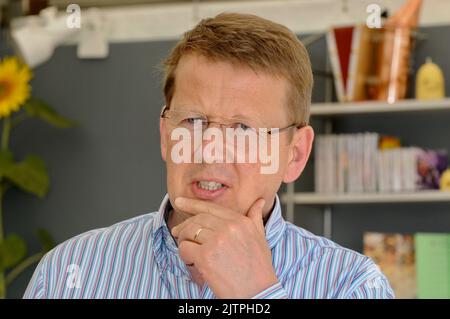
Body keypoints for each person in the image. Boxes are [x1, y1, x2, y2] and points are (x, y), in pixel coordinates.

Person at [24, 12, 394, 299]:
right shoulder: (69, 273)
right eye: (193, 121)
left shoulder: (353, 285)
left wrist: (258, 295)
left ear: (295, 155)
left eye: (244, 130)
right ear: (166, 135)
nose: (211, 149)